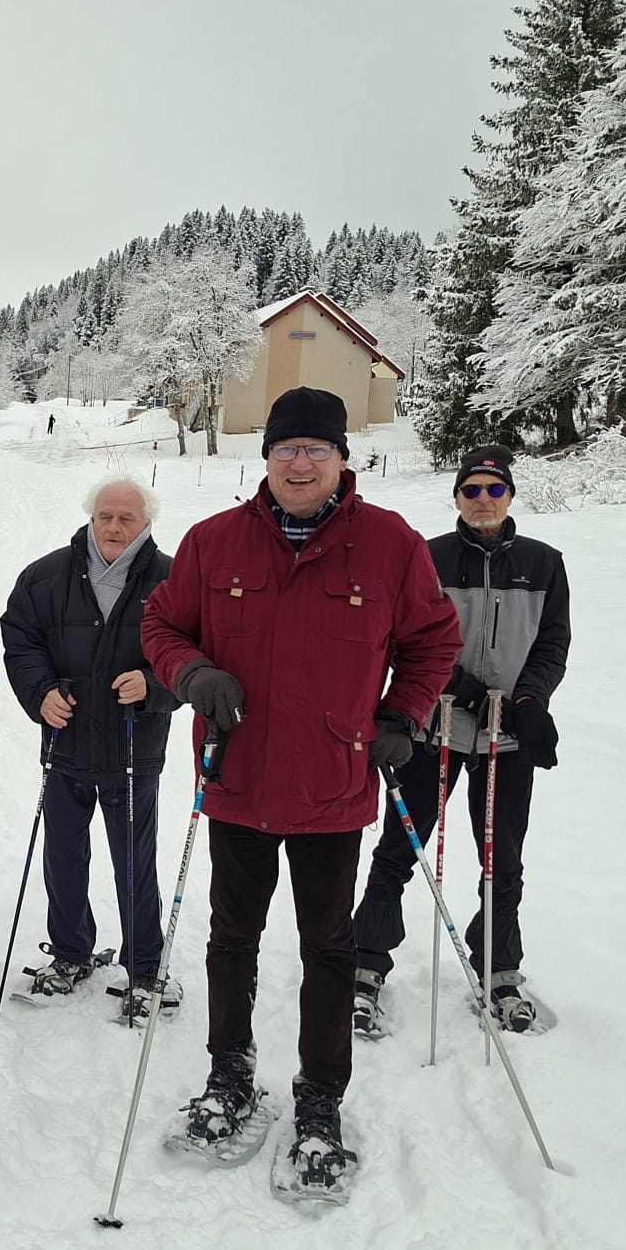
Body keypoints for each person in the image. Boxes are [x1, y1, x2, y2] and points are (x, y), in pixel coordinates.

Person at [141, 387, 461, 1200]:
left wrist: (404, 715)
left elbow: (433, 641)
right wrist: (194, 673)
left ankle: (321, 1098)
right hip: (238, 776)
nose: (301, 462)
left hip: (332, 784)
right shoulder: (214, 543)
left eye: (317, 448)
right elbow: (161, 626)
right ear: (268, 456)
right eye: (288, 448)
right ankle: (230, 1074)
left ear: (343, 458)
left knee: (329, 947)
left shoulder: (390, 545)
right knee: (231, 938)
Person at [352, 444, 570, 1036]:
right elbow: (408, 640)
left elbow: (552, 643)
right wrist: (467, 691)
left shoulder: (544, 562)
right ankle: (366, 963)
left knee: (503, 859)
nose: (482, 500)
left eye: (493, 490)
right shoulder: (426, 557)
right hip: (435, 727)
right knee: (401, 847)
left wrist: (529, 701)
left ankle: (499, 968)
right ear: (455, 497)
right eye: (471, 490)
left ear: (510, 496)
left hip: (509, 737)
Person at [0, 475, 178, 1020]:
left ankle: (146, 966)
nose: (114, 527)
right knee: (63, 859)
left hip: (131, 749)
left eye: (127, 518)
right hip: (67, 744)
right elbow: (20, 640)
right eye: (106, 516)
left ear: (146, 522)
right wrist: (39, 692)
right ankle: (71, 952)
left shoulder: (174, 580)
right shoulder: (46, 575)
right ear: (91, 517)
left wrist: (155, 683)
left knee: (134, 862)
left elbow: (200, 652)